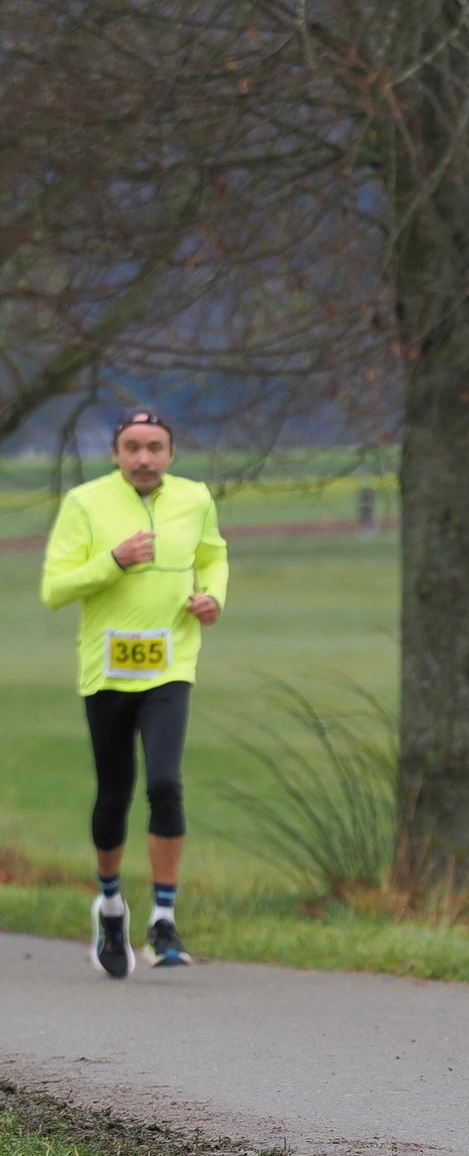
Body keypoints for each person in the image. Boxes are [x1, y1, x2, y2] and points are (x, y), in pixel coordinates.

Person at [41, 409, 228, 977]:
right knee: (114, 792)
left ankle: (163, 920)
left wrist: (213, 596)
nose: (144, 458)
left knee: (166, 784)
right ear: (115, 454)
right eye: (132, 447)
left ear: (171, 453)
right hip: (107, 670)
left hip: (171, 665)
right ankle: (110, 906)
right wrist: (114, 562)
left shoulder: (195, 498)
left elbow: (212, 555)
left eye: (155, 447)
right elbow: (55, 588)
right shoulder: (84, 503)